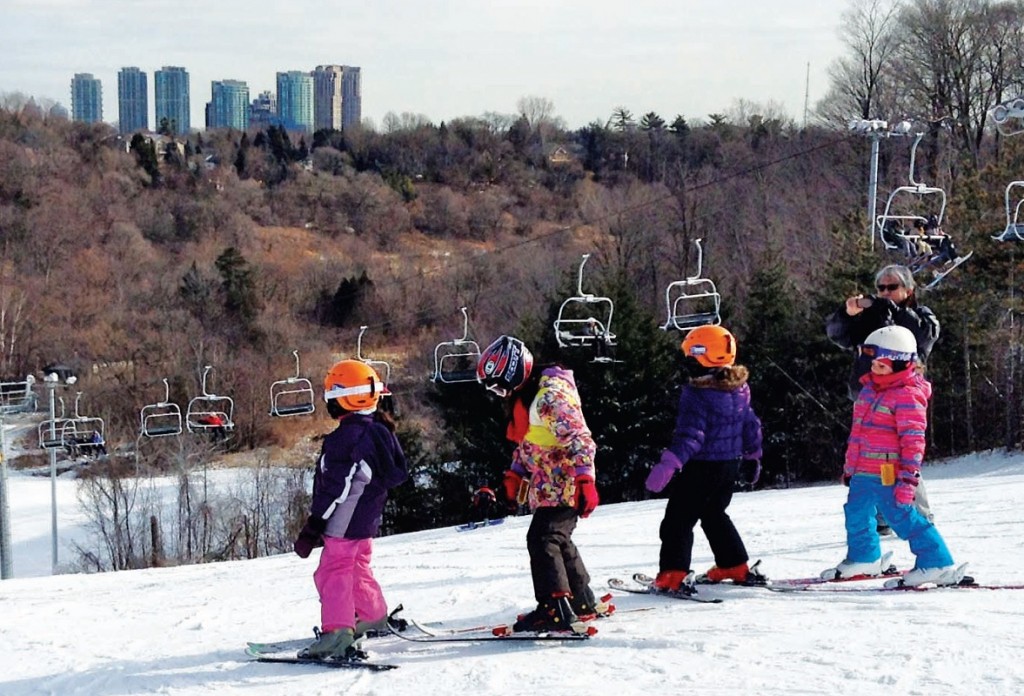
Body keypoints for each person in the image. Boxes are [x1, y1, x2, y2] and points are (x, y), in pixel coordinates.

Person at [476, 335, 604, 629]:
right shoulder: (529, 397)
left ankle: (554, 608)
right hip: (550, 485)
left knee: (542, 539)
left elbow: (581, 438)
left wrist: (586, 479)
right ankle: (581, 599)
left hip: (567, 484)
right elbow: (531, 443)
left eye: (499, 386)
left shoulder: (549, 398)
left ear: (513, 373)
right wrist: (514, 474)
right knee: (558, 539)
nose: (499, 394)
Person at [822, 326, 959, 586]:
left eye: (882, 366)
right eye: (873, 364)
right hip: (863, 470)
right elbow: (858, 433)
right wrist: (850, 468)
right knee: (856, 513)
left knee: (902, 516)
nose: (875, 369)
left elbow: (913, 442)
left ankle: (936, 562)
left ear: (900, 364)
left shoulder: (907, 395)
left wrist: (908, 479)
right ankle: (864, 557)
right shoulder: (869, 390)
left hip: (889, 472)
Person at [292, 359, 409, 660]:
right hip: (366, 520)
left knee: (333, 571)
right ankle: (372, 615)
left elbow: (337, 487)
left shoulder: (345, 439)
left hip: (343, 521)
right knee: (357, 567)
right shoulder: (380, 431)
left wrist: (315, 524)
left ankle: (337, 633)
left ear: (342, 399)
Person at [644, 325, 763, 590]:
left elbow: (691, 435)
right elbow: (751, 425)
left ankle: (673, 574)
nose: (688, 363)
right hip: (729, 465)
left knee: (678, 520)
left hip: (702, 467)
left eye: (691, 356)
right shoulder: (739, 388)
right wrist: (753, 456)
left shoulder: (697, 394)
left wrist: (668, 465)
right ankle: (733, 564)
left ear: (703, 356)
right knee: (714, 514)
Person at [825, 264, 938, 532]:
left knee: (905, 454)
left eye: (892, 287)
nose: (885, 293)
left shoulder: (921, 315)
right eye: (881, 288)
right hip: (868, 395)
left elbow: (925, 335)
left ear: (908, 290)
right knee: (871, 455)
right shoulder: (870, 317)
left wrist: (895, 311)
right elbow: (837, 334)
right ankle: (881, 517)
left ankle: (919, 516)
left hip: (903, 395)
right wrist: (846, 313)